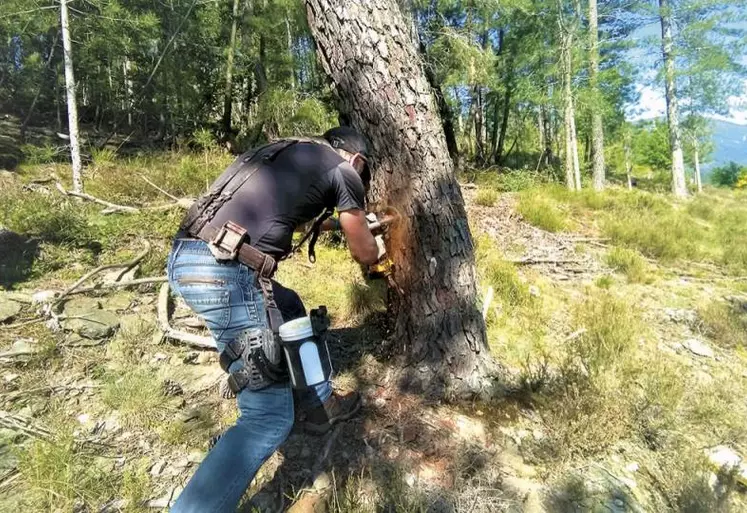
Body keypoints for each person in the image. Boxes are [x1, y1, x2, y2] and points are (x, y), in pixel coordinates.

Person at [166, 127, 383, 513]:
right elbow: (364, 252)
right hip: (225, 274)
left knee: (289, 307)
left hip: (187, 258)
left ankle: (319, 403)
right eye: (363, 176)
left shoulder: (287, 152)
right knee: (267, 418)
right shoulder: (345, 170)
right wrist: (375, 241)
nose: (359, 183)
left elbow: (283, 217)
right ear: (358, 161)